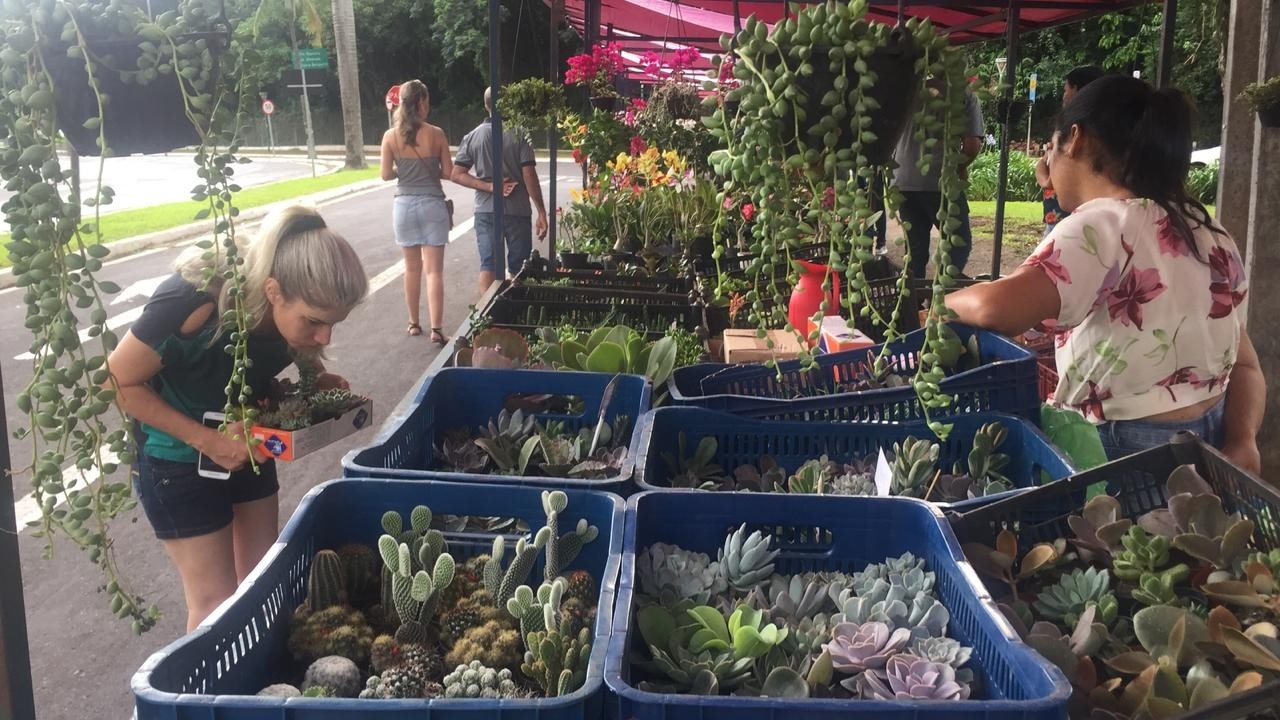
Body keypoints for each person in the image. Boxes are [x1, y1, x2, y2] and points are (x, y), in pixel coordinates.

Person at [945, 76, 1264, 473]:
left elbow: (996, 308)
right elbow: (1247, 366)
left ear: (1074, 138)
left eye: (1051, 146)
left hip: (1123, 454)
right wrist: (1243, 440)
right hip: (1211, 445)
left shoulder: (1103, 223)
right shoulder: (1205, 228)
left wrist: (946, 301)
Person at [107, 206, 369, 630]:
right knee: (215, 603)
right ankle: (208, 696)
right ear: (272, 290)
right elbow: (116, 383)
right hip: (177, 459)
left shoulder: (291, 312)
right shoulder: (194, 301)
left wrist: (315, 378)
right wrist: (209, 441)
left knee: (261, 582)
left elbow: (282, 353)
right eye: (315, 322)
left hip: (250, 446)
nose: (325, 336)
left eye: (334, 324)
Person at [451, 87, 548, 296]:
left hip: (485, 211)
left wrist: (489, 187)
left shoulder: (473, 136)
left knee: (489, 264)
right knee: (519, 267)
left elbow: (457, 174)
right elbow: (529, 175)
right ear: (508, 105)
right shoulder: (520, 134)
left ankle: (487, 319)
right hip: (518, 210)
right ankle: (516, 312)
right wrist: (541, 211)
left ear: (486, 105)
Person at [381, 79, 454, 345]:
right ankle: (436, 329)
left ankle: (413, 324)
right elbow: (447, 172)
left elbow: (385, 174)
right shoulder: (437, 134)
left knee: (411, 269)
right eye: (427, 100)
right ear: (421, 102)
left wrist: (405, 169)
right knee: (434, 272)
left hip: (403, 206)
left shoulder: (390, 136)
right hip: (432, 205)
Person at [893, 77, 984, 278]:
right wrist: (959, 168)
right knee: (958, 242)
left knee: (914, 250)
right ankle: (941, 296)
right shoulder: (964, 94)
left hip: (903, 178)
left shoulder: (909, 90)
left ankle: (913, 305)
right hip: (940, 178)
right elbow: (972, 146)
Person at [1037, 66, 1105, 235]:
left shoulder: (1072, 125)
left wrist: (1042, 174)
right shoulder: (1104, 126)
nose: (1064, 95)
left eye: (1065, 89)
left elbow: (1052, 176)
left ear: (1076, 88)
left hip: (1063, 218)